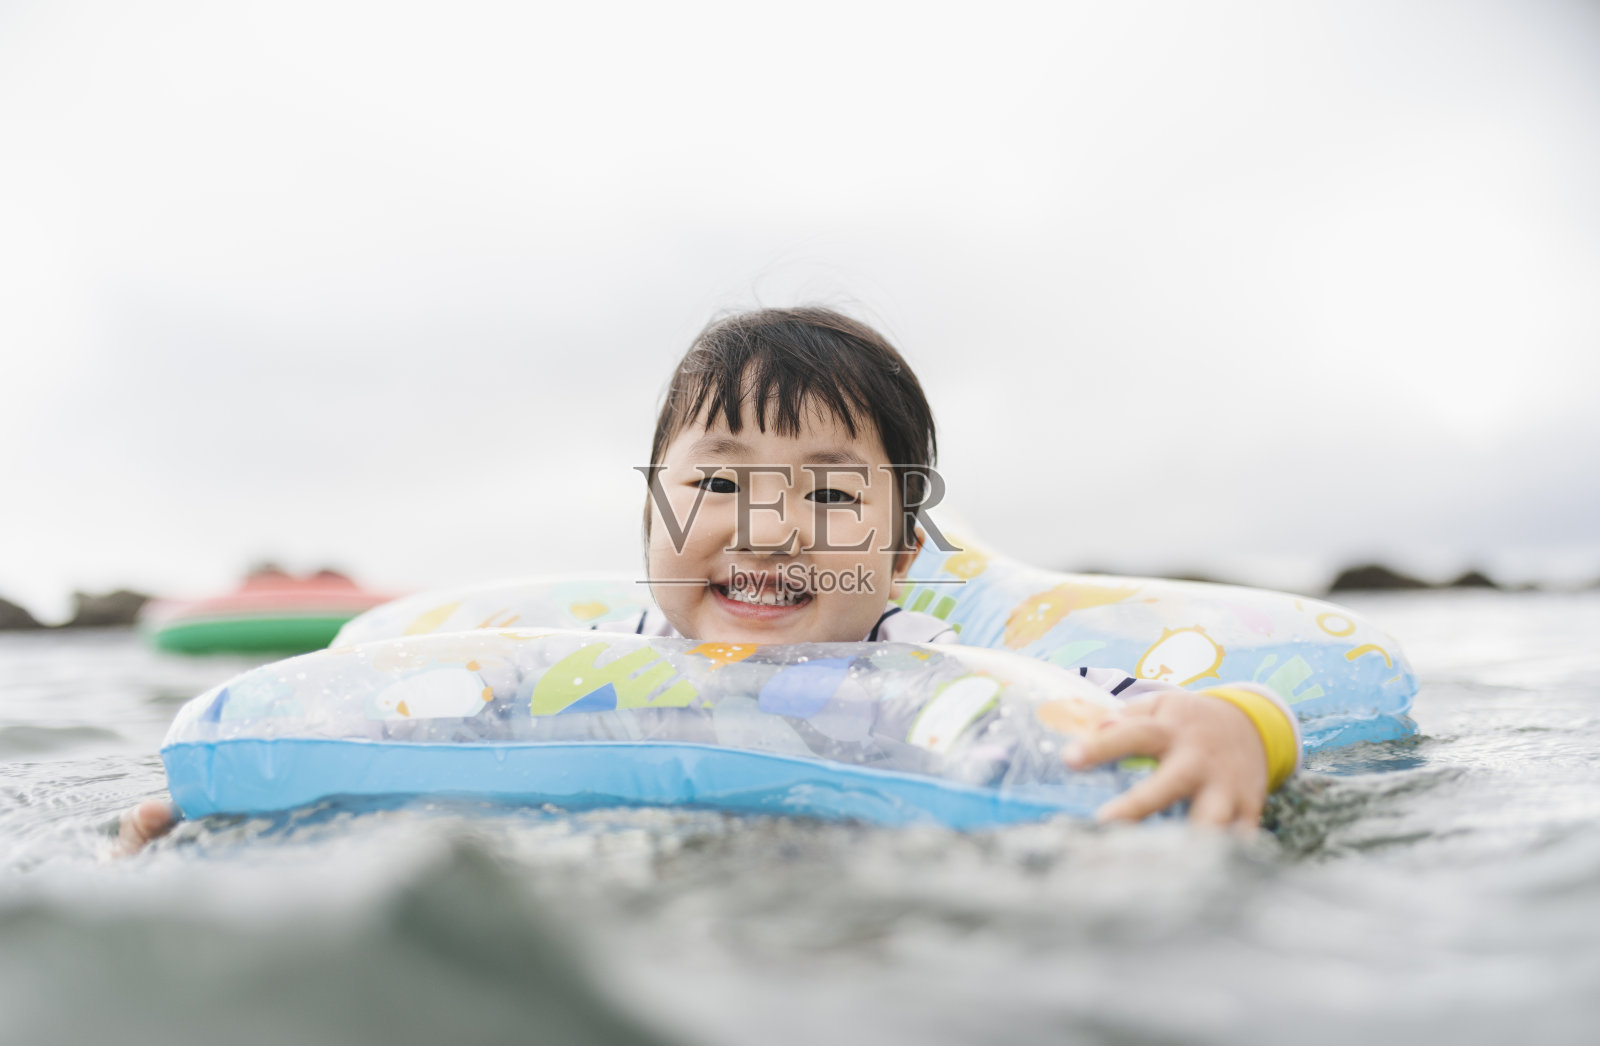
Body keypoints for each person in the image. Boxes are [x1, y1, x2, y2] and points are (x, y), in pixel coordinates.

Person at [117, 306, 1294, 853]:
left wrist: (1235, 725)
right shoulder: (570, 679)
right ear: (650, 523)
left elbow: (1134, 711)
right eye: (721, 486)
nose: (770, 529)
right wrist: (251, 802)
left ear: (897, 554)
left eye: (831, 494)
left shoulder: (946, 676)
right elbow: (407, 752)